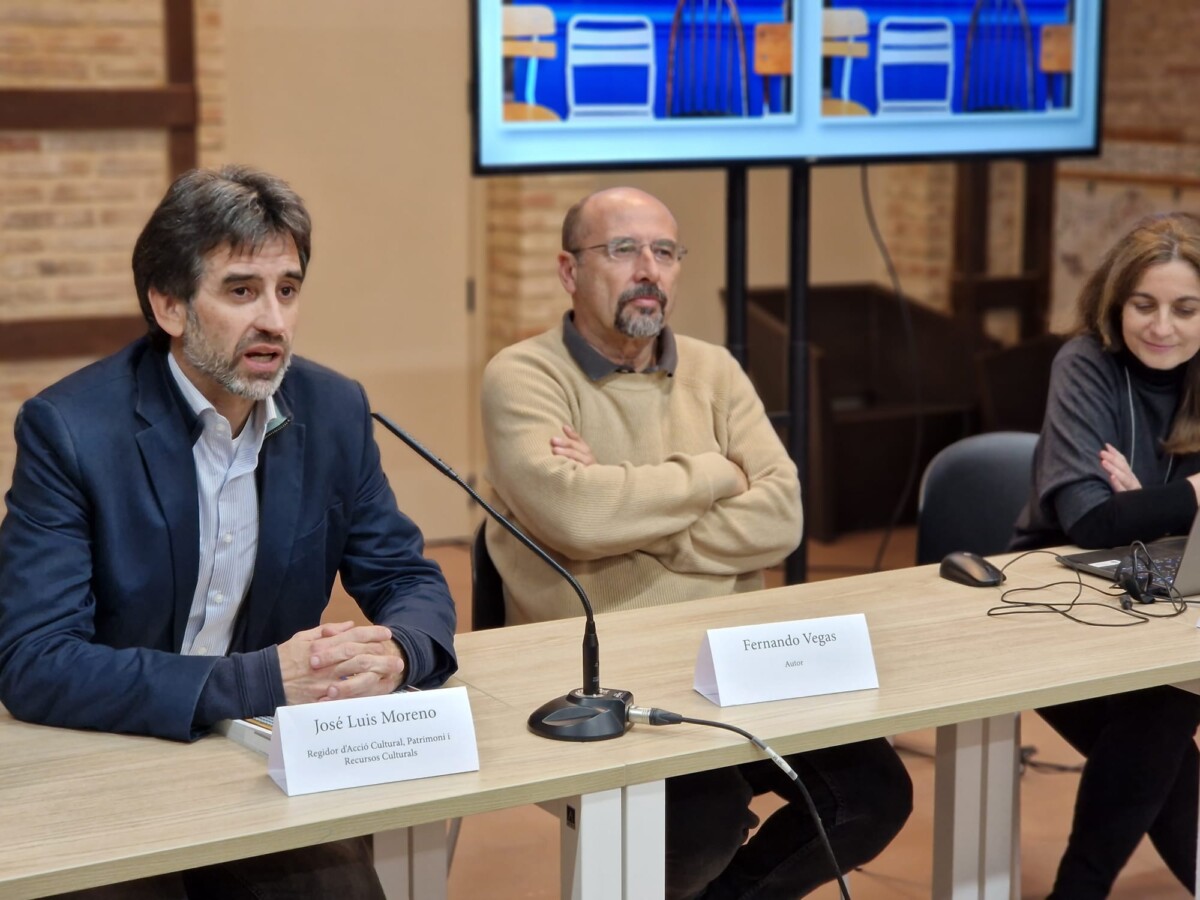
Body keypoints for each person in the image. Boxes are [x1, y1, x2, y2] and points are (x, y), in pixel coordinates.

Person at [0, 165, 457, 899]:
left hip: (258, 756)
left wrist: (400, 651)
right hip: (113, 750)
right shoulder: (74, 430)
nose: (273, 320)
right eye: (241, 291)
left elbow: (406, 577)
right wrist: (259, 678)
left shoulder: (333, 409)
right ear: (170, 306)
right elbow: (36, 661)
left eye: (288, 289)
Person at [480, 186, 912, 899]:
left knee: (874, 793)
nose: (649, 268)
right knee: (700, 822)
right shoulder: (523, 376)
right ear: (569, 271)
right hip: (602, 680)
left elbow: (782, 518)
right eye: (623, 249)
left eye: (665, 251)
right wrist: (717, 473)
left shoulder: (715, 370)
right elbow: (577, 521)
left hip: (738, 665)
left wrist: (631, 515)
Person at [1011, 212, 1200, 898]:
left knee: (1165, 716)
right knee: (1166, 714)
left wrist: (1144, 502)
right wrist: (1191, 493)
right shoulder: (1084, 362)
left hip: (1167, 596)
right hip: (1050, 592)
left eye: (1186, 309)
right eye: (1143, 305)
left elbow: (1129, 517)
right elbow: (1089, 519)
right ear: (1116, 301)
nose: (1162, 327)